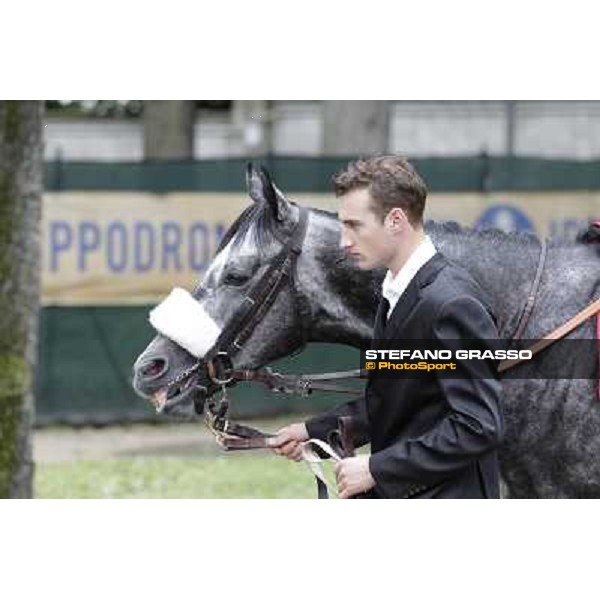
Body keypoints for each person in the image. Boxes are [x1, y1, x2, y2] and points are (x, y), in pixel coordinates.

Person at [268, 155, 504, 499]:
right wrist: (311, 432)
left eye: (354, 225)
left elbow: (477, 427)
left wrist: (376, 468)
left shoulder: (454, 304)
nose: (343, 241)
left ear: (396, 220)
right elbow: (394, 401)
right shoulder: (396, 291)